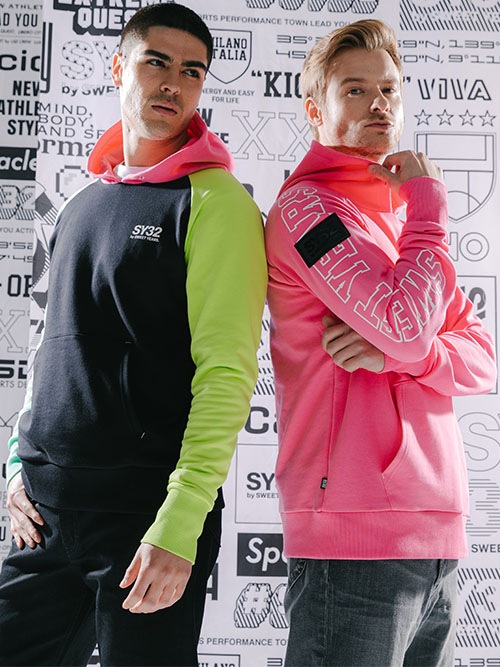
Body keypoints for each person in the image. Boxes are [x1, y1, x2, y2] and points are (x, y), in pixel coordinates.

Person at [0, 4, 267, 666]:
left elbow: (227, 373)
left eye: (192, 71)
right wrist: (16, 464)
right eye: (157, 62)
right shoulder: (81, 201)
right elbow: (50, 346)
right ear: (119, 67)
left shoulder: (216, 203)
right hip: (45, 510)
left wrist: (180, 522)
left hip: (147, 516)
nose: (173, 83)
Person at [265, 19, 496, 667]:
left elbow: (481, 357)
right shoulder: (307, 212)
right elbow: (409, 324)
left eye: (389, 89)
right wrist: (428, 203)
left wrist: (409, 355)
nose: (379, 104)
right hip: (352, 538)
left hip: (438, 538)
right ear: (316, 110)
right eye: (356, 89)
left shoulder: (395, 221)